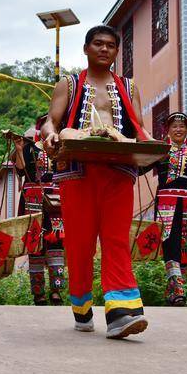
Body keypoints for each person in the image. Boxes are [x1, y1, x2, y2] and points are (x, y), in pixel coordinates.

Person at [42, 24, 151, 339]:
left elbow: (138, 126)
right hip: (77, 171)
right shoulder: (69, 84)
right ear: (86, 49)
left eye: (111, 46)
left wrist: (152, 146)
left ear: (117, 52)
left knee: (116, 239)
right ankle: (81, 306)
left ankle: (122, 313)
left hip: (118, 170)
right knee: (80, 245)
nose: (105, 49)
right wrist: (50, 135)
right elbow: (53, 120)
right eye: (98, 44)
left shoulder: (129, 87)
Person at [153, 112, 187, 305]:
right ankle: (178, 291)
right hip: (166, 205)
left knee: (186, 245)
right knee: (170, 244)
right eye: (174, 126)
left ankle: (173, 291)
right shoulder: (161, 151)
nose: (178, 130)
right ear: (167, 130)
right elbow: (142, 166)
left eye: (182, 127)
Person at [13, 115, 65, 305]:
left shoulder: (63, 148)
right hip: (33, 200)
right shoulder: (29, 147)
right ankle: (38, 293)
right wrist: (19, 150)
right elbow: (21, 171)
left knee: (57, 244)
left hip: (57, 200)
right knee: (35, 246)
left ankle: (56, 291)